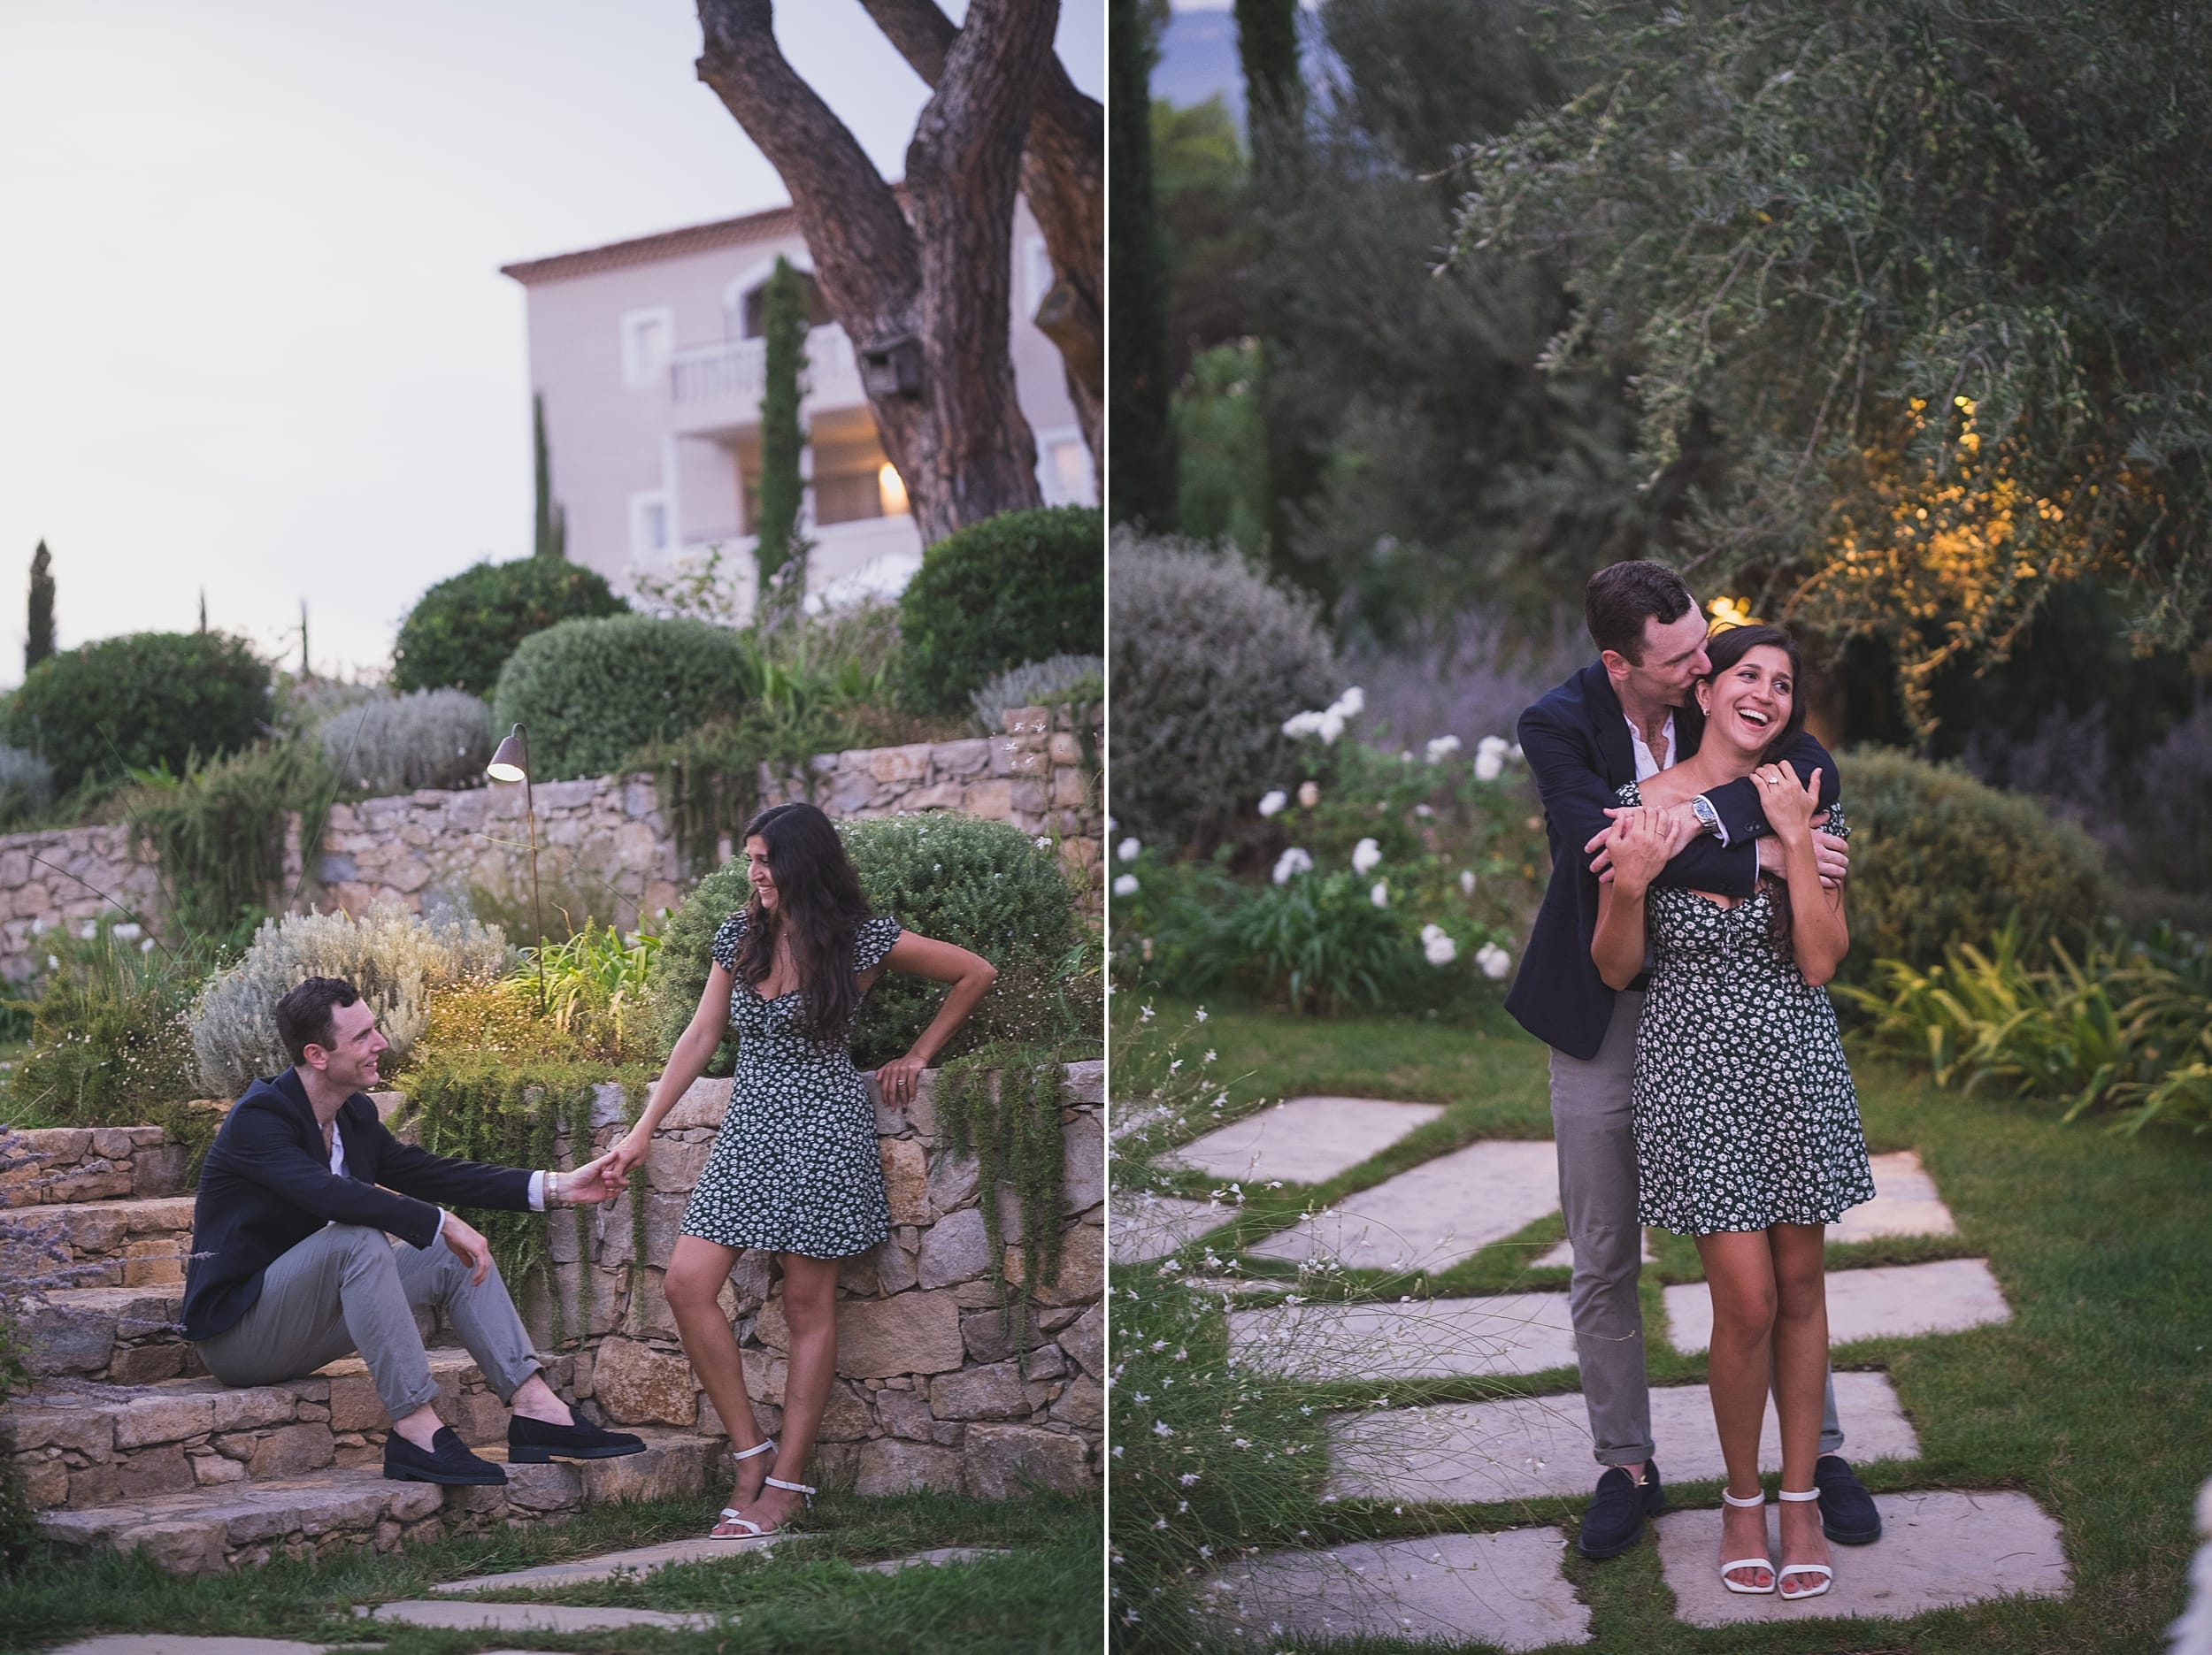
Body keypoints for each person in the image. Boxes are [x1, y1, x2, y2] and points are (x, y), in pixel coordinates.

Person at [1505, 560, 1880, 1561]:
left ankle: (1818, 1457)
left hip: (1763, 1010)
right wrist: (1755, 848)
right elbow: (1602, 844)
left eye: (1700, 650)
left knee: (1791, 1264)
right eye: (1680, 662)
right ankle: (1627, 1461)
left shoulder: (1764, 723)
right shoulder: (1559, 723)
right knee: (1605, 1245)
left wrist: (1790, 842)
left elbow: (1815, 792)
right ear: (1620, 661)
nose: (1699, 668)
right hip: (1612, 1000)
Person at [602, 801, 998, 1540]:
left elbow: (974, 973)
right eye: (750, 859)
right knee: (687, 1284)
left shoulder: (860, 938)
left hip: (825, 1125)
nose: (755, 874)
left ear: (802, 863)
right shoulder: (739, 937)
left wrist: (918, 1054)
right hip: (750, 1126)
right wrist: (641, 1131)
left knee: (810, 1307)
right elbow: (700, 1034)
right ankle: (749, 1455)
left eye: (766, 861)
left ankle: (786, 1482)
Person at [1592, 622, 1875, 1600]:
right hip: (1694, 1070)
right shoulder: (1641, 807)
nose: (1764, 693)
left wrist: (1795, 840)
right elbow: (1616, 966)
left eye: (1782, 683)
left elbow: (1821, 958)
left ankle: (1800, 1498)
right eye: (1746, 675)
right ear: (1704, 690)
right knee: (1744, 1299)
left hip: (1791, 1055)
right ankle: (1740, 1498)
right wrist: (1628, 886)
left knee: (1800, 1284)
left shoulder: (1805, 797)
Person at [184, 976, 644, 1486]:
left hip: (304, 1323)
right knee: (357, 1238)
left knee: (450, 1257)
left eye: (374, 1029)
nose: (381, 1043)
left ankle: (538, 1411)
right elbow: (325, 1194)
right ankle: (417, 1432)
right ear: (317, 1054)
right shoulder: (259, 1119)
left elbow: (428, 1172)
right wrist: (439, 1220)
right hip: (240, 1335)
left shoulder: (351, 1114)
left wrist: (559, 1187)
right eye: (361, 1037)